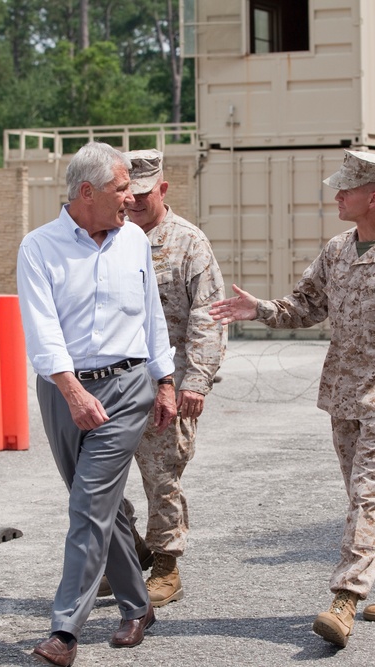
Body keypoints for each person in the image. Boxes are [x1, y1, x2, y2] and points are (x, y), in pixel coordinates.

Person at [209, 150, 375, 649]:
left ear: (374, 196)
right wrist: (259, 308)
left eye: (346, 189)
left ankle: (344, 600)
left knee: (368, 496)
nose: (336, 195)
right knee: (373, 497)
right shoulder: (337, 250)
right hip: (343, 399)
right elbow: (305, 306)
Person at [17, 141, 177, 667]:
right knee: (101, 509)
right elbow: (42, 333)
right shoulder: (38, 248)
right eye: (121, 188)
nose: (131, 198)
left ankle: (64, 631)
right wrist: (72, 392)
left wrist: (166, 380)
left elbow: (151, 314)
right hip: (64, 392)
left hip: (128, 389)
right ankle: (138, 606)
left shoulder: (133, 241)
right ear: (86, 193)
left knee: (87, 505)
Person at [116, 149, 226, 607]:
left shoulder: (187, 242)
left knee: (162, 477)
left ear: (163, 189)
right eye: (129, 194)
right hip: (115, 380)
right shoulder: (111, 236)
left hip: (172, 382)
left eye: (145, 194)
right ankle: (128, 553)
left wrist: (196, 380)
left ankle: (165, 564)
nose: (136, 203)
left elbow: (209, 313)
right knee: (95, 476)